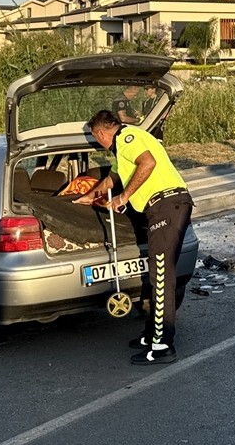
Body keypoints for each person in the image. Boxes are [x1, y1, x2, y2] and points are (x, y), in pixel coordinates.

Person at [79, 109, 193, 366]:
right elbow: (113, 178)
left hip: (167, 205)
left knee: (161, 276)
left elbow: (148, 163)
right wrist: (91, 195)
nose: (97, 143)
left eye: (95, 139)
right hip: (167, 206)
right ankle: (151, 335)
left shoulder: (128, 138)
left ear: (100, 133)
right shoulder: (122, 147)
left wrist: (124, 197)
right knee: (158, 274)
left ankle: (162, 345)